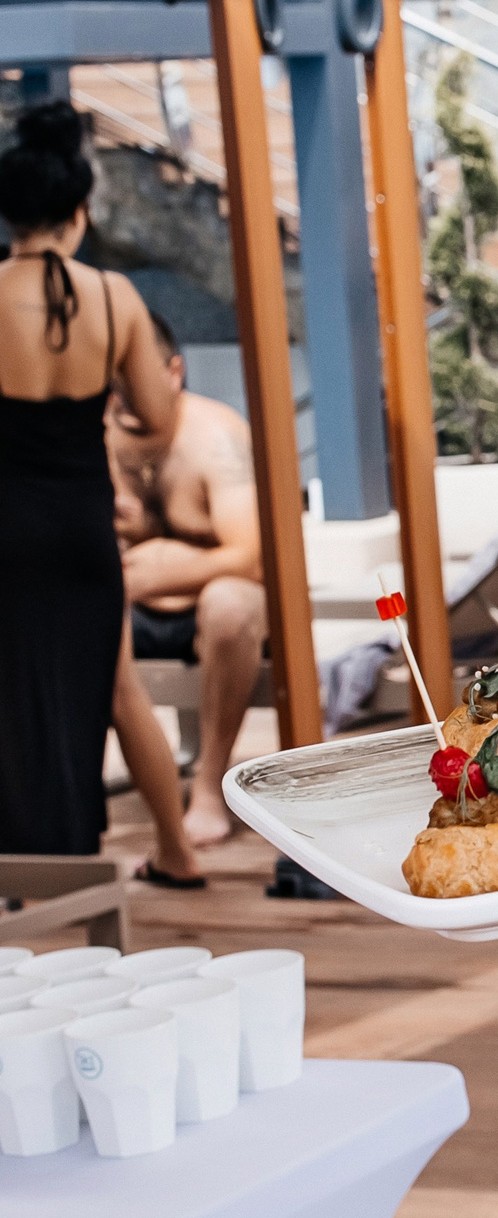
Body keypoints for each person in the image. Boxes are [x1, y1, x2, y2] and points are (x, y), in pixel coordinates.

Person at [0, 103, 180, 859]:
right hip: (83, 526)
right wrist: (111, 433)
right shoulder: (115, 298)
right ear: (78, 213)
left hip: (6, 524)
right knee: (106, 687)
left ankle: (22, 851)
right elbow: (160, 421)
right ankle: (163, 849)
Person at [109, 310, 266, 852]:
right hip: (131, 610)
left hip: (211, 608)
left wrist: (173, 567)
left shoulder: (215, 438)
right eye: (113, 378)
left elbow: (253, 557)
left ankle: (208, 786)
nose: (123, 394)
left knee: (231, 603)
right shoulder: (97, 441)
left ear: (173, 371)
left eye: (136, 376)